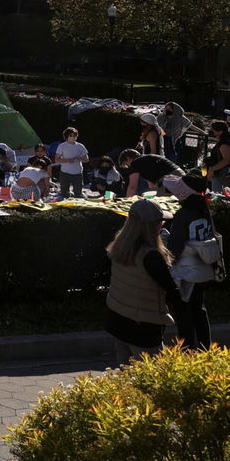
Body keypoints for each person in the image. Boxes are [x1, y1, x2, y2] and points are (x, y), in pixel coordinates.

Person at [104, 198, 181, 365]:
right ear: (151, 225)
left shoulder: (119, 245)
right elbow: (171, 290)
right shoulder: (151, 255)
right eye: (160, 221)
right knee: (154, 377)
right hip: (143, 327)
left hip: (118, 319)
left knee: (125, 374)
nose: (162, 225)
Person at [163, 173, 217, 351]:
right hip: (203, 266)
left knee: (184, 312)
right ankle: (205, 349)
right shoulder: (203, 210)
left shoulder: (183, 214)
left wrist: (167, 264)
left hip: (187, 270)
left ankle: (186, 351)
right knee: (199, 309)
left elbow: (175, 248)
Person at [52, 127, 89, 199]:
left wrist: (79, 158)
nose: (73, 137)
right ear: (66, 137)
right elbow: (56, 159)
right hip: (65, 173)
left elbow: (87, 159)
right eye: (71, 135)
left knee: (78, 194)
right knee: (64, 194)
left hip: (77, 173)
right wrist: (67, 160)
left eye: (75, 135)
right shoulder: (62, 146)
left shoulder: (80, 146)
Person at [204, 120, 230, 193]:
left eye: (212, 130)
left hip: (220, 174)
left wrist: (212, 169)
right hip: (217, 172)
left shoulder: (224, 144)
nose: (210, 131)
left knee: (217, 195)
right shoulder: (222, 141)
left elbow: (227, 160)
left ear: (220, 132)